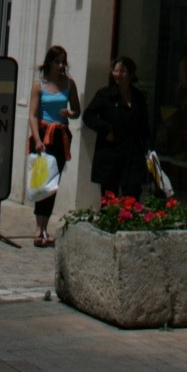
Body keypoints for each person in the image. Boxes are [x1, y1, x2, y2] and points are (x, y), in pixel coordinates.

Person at [28, 43, 79, 248]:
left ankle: (44, 226)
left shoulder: (69, 84)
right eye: (57, 61)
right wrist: (37, 139)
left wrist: (70, 113)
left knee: (52, 184)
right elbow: (32, 114)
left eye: (63, 62)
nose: (60, 66)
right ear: (49, 62)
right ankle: (38, 227)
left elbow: (76, 110)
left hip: (60, 136)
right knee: (42, 181)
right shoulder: (39, 85)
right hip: (42, 135)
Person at [83, 55, 151, 202]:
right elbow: (88, 116)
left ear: (131, 75)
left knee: (132, 197)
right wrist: (106, 129)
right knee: (109, 199)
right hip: (111, 153)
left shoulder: (138, 97)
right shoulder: (104, 95)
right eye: (116, 71)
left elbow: (144, 126)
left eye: (123, 71)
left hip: (133, 154)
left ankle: (128, 223)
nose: (118, 74)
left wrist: (148, 150)